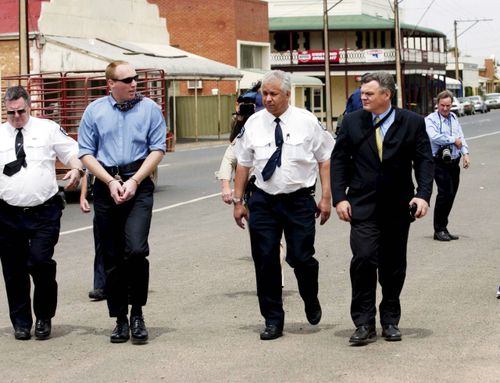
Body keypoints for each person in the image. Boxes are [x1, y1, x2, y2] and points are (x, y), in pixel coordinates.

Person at [331, 72, 434, 345]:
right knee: (363, 259)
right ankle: (363, 323)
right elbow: (339, 161)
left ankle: (390, 319)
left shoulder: (412, 122)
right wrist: (340, 198)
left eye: (369, 93)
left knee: (393, 266)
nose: (362, 97)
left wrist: (423, 195)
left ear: (386, 95)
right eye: (362, 92)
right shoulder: (352, 122)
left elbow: (424, 161)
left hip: (398, 207)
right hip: (362, 206)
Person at [233, 70, 335, 340]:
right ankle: (273, 319)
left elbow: (325, 158)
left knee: (301, 257)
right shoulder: (254, 123)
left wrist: (326, 197)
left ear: (288, 94)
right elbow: (243, 163)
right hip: (263, 200)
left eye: (273, 94)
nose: (267, 99)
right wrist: (238, 200)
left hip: (298, 199)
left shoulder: (307, 121)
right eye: (264, 94)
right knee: (265, 260)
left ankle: (309, 296)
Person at [78, 60, 166, 344]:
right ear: (110, 85)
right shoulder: (95, 111)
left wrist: (134, 181)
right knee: (112, 256)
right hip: (107, 187)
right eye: (126, 80)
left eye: (135, 78)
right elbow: (86, 153)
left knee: (137, 250)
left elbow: (157, 149)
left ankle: (137, 313)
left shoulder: (150, 109)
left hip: (138, 184)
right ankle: (119, 319)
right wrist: (111, 182)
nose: (134, 84)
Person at [0, 85, 82, 340]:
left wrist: (76, 169)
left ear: (29, 106)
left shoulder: (47, 128)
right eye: (10, 113)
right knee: (13, 270)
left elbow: (73, 152)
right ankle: (22, 322)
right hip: (7, 214)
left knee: (39, 261)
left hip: (43, 211)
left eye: (20, 112)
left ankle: (44, 316)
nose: (16, 117)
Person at [425, 90, 470, 241]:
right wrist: (452, 140)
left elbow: (461, 136)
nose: (445, 109)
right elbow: (433, 136)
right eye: (442, 105)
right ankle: (438, 230)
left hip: (454, 161)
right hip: (438, 162)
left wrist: (465, 153)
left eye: (448, 106)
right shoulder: (431, 119)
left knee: (451, 195)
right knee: (445, 194)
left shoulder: (454, 117)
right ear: (437, 104)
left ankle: (444, 227)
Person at [79, 171, 106, 301]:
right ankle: (101, 286)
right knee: (101, 244)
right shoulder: (94, 152)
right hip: (103, 199)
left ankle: (130, 283)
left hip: (127, 196)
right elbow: (86, 172)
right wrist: (83, 196)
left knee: (128, 244)